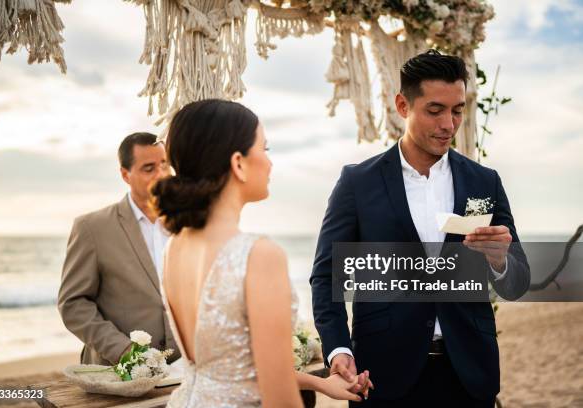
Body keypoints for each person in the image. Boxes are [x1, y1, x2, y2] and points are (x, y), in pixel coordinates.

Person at [310, 50, 531, 407]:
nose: (449, 123)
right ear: (402, 105)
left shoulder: (484, 182)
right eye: (435, 110)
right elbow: (325, 277)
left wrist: (500, 261)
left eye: (458, 110)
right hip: (382, 376)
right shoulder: (357, 183)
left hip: (469, 375)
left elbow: (517, 283)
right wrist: (337, 348)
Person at [152, 99, 370, 407]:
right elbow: (280, 401)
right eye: (264, 149)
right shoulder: (259, 255)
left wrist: (320, 383)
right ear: (238, 163)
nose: (270, 163)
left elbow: (228, 372)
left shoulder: (175, 246)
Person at [58, 132, 180, 365]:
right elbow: (73, 304)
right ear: (125, 174)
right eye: (149, 168)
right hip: (116, 372)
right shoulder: (92, 227)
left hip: (182, 372)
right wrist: (125, 352)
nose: (161, 174)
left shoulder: (187, 224)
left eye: (165, 165)